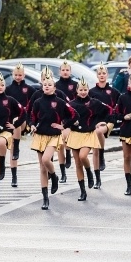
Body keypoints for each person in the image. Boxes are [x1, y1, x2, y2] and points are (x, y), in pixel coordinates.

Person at [30, 69, 76, 210]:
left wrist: (63, 125)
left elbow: (74, 115)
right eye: (45, 84)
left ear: (54, 87)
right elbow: (32, 116)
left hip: (54, 136)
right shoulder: (37, 101)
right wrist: (32, 125)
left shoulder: (60, 101)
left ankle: (54, 176)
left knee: (46, 159)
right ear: (42, 85)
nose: (47, 86)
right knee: (42, 168)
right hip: (40, 136)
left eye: (50, 84)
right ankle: (45, 199)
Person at [66, 77, 111, 201]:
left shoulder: (94, 102)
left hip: (88, 134)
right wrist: (69, 124)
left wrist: (102, 122)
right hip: (75, 135)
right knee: (77, 163)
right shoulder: (71, 104)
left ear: (88, 90)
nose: (83, 92)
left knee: (83, 156)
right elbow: (65, 117)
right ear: (77, 90)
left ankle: (90, 172)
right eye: (81, 89)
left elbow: (109, 110)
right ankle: (83, 191)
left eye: (85, 89)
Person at [88, 63, 120, 187]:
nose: (102, 75)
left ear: (107, 75)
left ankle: (102, 154)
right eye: (99, 73)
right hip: (94, 122)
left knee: (99, 132)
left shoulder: (113, 92)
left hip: (108, 121)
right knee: (94, 150)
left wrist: (113, 120)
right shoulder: (91, 92)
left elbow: (118, 108)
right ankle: (97, 178)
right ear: (97, 75)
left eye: (104, 73)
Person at [5, 63, 35, 188]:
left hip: (24, 121)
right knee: (12, 149)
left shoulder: (29, 89)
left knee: (17, 122)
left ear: (24, 75)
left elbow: (35, 103)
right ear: (13, 75)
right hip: (10, 121)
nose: (18, 77)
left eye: (20, 75)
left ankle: (16, 145)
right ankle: (14, 177)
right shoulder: (8, 89)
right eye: (16, 75)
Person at [54, 60, 78, 181]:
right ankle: (63, 173)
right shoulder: (55, 85)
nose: (65, 72)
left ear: (70, 71)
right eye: (63, 70)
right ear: (59, 72)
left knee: (65, 138)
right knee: (60, 145)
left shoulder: (75, 85)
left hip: (72, 116)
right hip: (59, 117)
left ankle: (68, 153)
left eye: (67, 70)